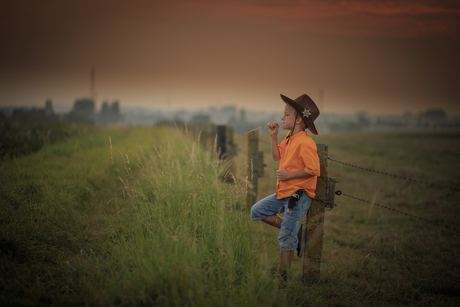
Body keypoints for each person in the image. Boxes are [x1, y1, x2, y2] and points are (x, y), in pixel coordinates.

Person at [251, 93, 320, 280]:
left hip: (298, 195)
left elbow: (313, 169)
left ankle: (283, 279)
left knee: (286, 239)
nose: (282, 118)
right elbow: (276, 156)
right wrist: (274, 137)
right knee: (257, 211)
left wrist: (289, 174)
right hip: (284, 192)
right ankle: (295, 230)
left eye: (286, 114)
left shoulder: (306, 143)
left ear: (299, 119)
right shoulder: (289, 137)